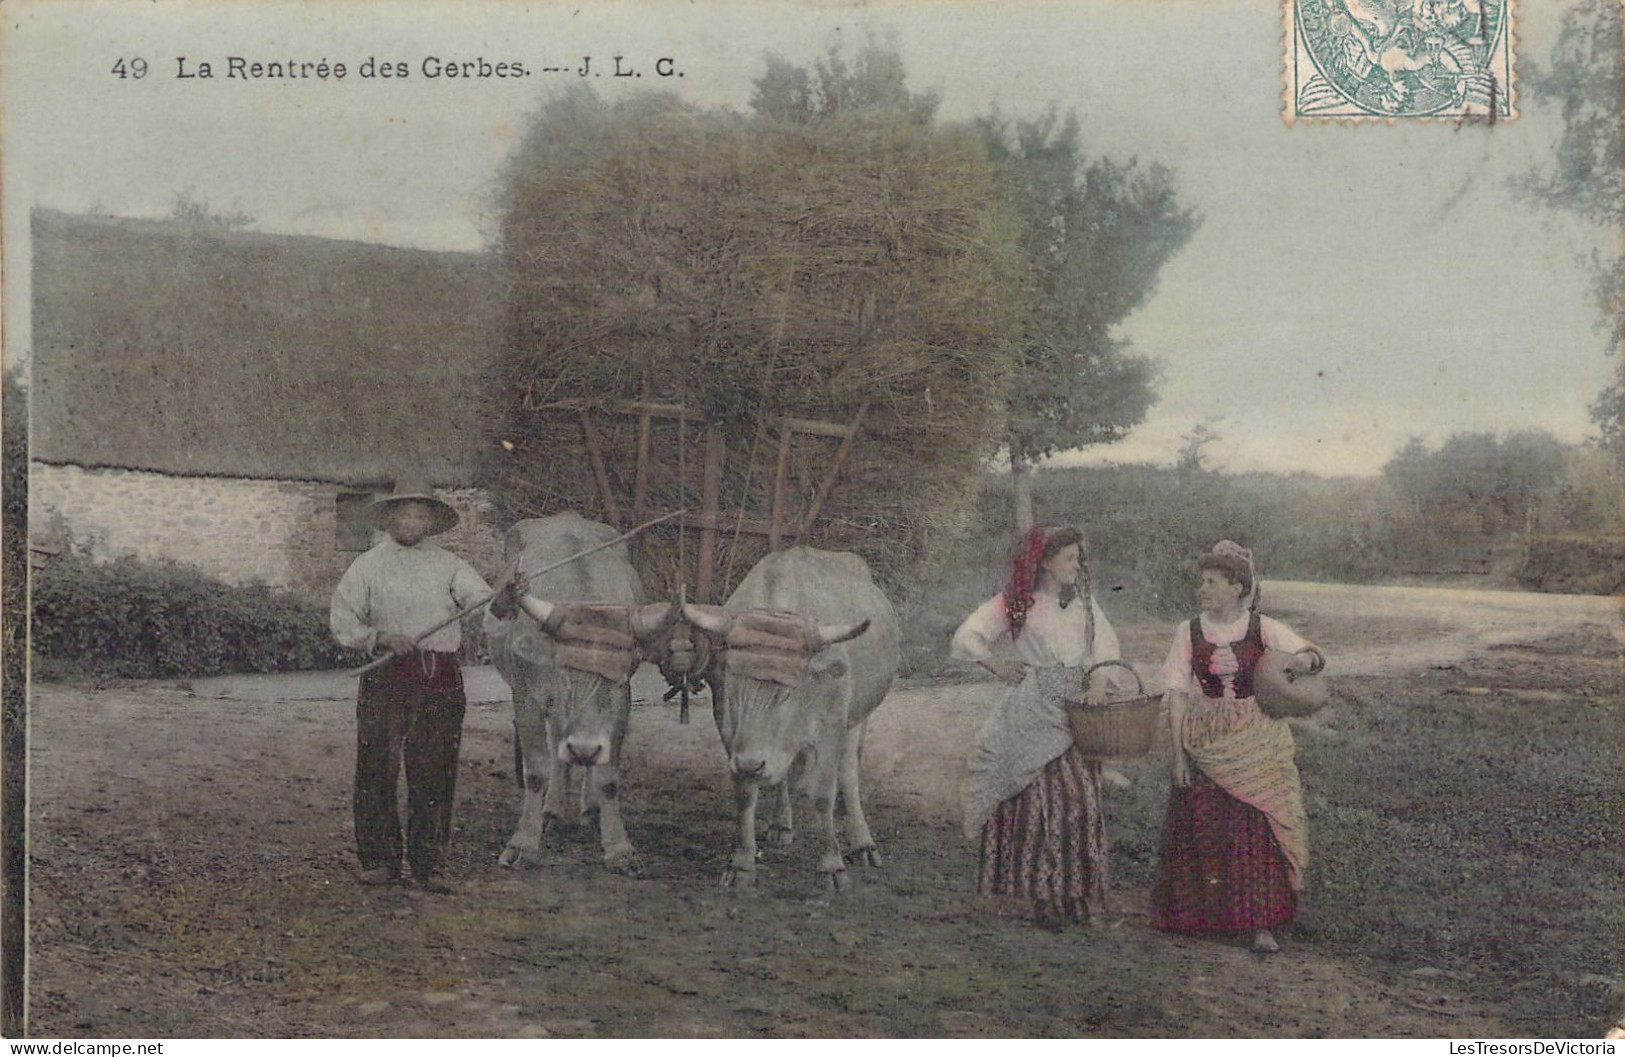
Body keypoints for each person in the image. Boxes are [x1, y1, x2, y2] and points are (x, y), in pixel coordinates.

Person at [1151, 540, 1322, 953]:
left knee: (1255, 824)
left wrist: (1299, 665)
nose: (1203, 589)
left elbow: (1311, 655)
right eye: (1202, 582)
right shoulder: (1188, 631)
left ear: (1238, 588)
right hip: (1206, 734)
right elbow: (1175, 694)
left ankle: (1259, 922)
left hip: (1256, 735)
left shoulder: (1262, 627)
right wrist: (1178, 755)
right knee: (1207, 824)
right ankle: (1201, 918)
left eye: (1212, 582)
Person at [951, 525, 1123, 929]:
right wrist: (994, 663)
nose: (1077, 565)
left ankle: (1078, 894)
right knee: (1040, 802)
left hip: (1077, 711)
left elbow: (1104, 647)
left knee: (1080, 801)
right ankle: (1044, 896)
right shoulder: (1017, 604)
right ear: (1045, 562)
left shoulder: (1084, 602)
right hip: (1033, 710)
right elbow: (967, 636)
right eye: (1069, 558)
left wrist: (1098, 680)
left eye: (1079, 558)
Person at [330, 476, 496, 894]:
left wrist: (505, 599)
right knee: (377, 767)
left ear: (431, 522)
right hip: (386, 674)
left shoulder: (450, 565)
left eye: (421, 514)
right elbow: (344, 622)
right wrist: (381, 637)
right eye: (404, 512)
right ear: (388, 518)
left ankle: (430, 863)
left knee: (435, 768)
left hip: (438, 675)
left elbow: (483, 599)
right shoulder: (367, 566)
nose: (412, 521)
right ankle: (380, 861)